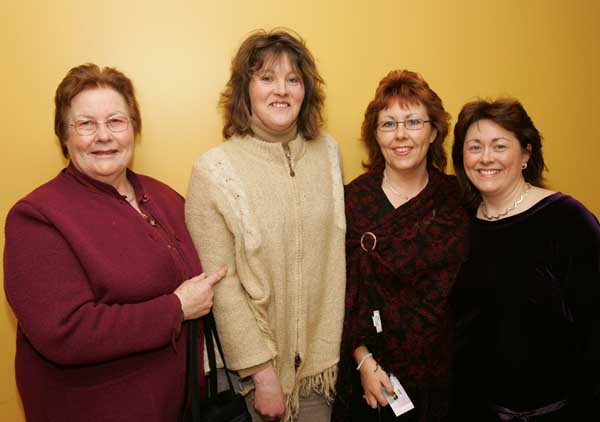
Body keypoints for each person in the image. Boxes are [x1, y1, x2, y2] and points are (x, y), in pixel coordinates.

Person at [3, 63, 226, 422]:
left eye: (115, 121)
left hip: (178, 407)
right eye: (86, 124)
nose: (103, 135)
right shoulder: (36, 217)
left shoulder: (164, 196)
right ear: (64, 135)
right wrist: (176, 308)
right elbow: (65, 332)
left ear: (133, 129)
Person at [184, 29, 346, 422]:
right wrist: (262, 374)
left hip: (320, 370)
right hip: (252, 378)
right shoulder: (213, 170)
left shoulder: (328, 153)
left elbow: (333, 256)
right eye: (267, 78)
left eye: (294, 79)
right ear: (245, 89)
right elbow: (221, 285)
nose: (282, 90)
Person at [331, 70, 470, 422]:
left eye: (413, 121)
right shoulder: (353, 201)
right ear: (375, 135)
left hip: (448, 377)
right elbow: (339, 295)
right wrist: (362, 361)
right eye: (388, 124)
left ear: (434, 130)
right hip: (373, 378)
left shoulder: (458, 200)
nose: (401, 135)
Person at [449, 98, 600, 420]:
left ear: (526, 154)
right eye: (474, 147)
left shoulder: (567, 219)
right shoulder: (458, 222)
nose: (486, 158)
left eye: (499, 146)